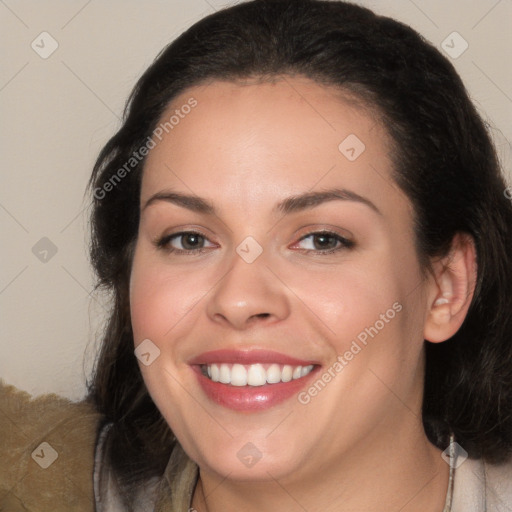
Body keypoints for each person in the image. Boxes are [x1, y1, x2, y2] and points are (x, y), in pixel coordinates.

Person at [2, 0, 511, 511]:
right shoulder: (31, 479)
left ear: (445, 287)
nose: (240, 300)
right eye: (189, 239)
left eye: (321, 239)